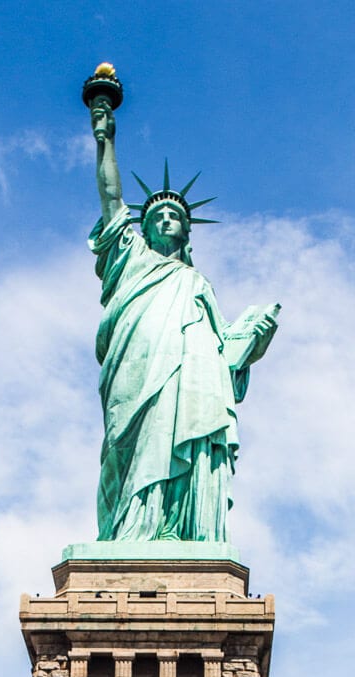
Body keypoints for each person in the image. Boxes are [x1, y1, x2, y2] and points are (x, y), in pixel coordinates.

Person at [89, 94, 279, 543]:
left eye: (175, 215)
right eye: (158, 215)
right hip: (137, 365)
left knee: (184, 437)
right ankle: (131, 531)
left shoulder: (198, 285)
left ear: (186, 230)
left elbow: (223, 354)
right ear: (146, 226)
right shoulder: (130, 259)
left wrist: (251, 340)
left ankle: (176, 529)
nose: (167, 220)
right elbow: (111, 197)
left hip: (191, 376)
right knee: (132, 444)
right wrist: (105, 140)